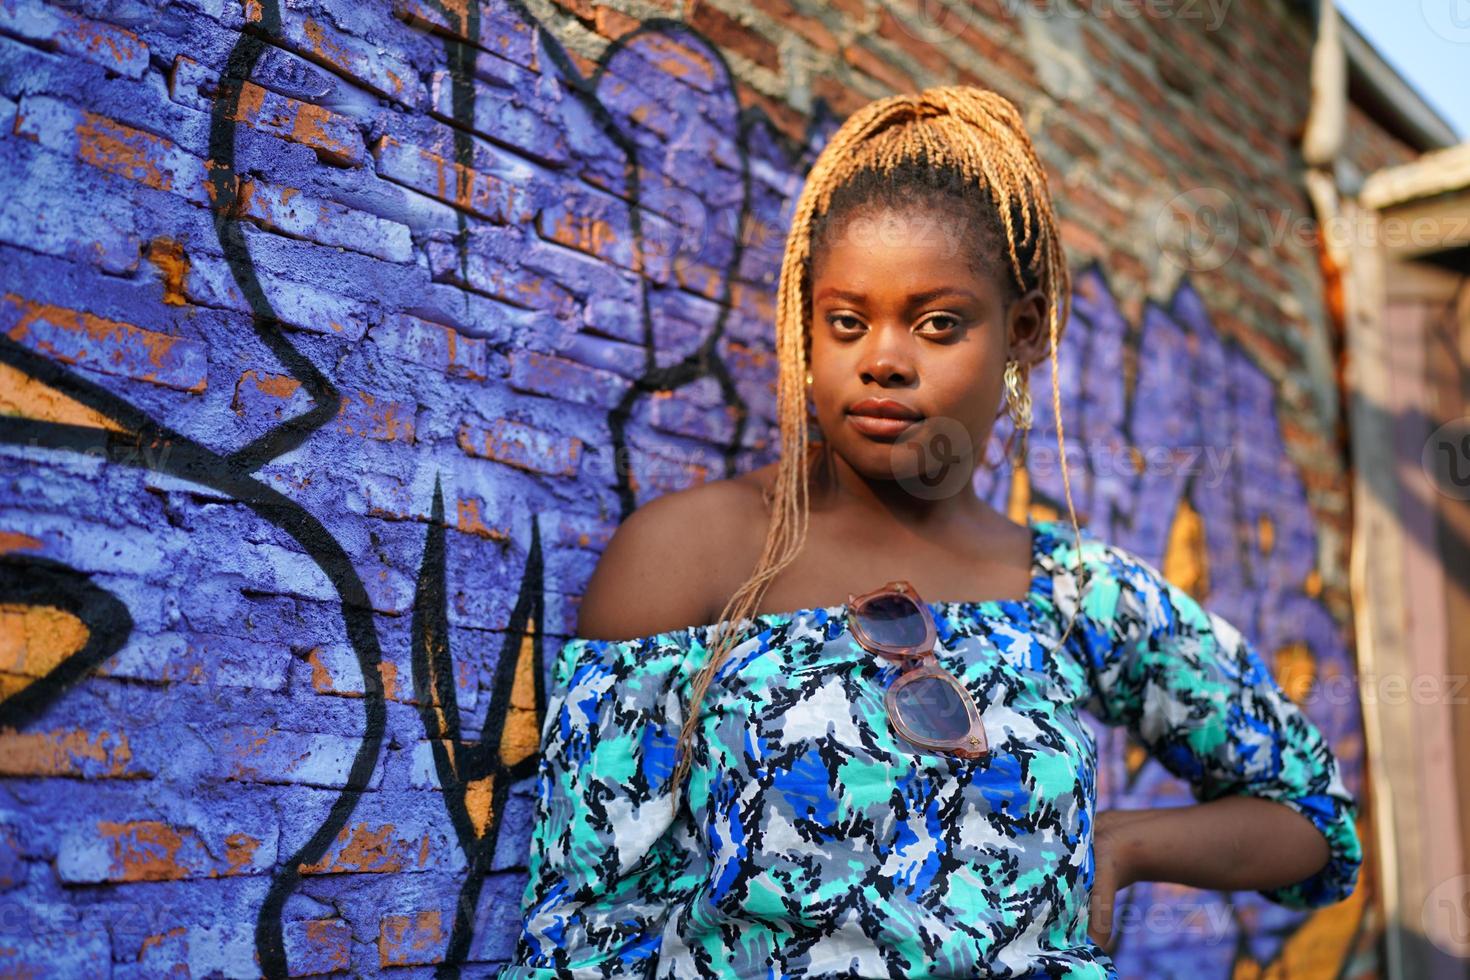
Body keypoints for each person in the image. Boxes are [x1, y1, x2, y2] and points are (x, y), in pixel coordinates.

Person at [501, 85, 1362, 978]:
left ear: (1022, 333)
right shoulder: (690, 558)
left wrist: (1126, 843)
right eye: (847, 321)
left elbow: (1310, 818)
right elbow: (579, 924)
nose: (882, 358)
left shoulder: (1076, 595)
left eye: (937, 323)